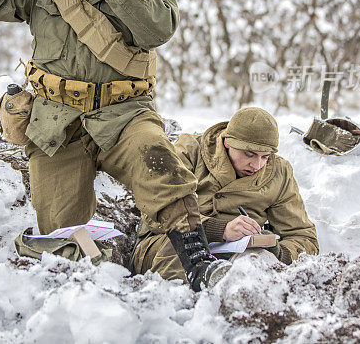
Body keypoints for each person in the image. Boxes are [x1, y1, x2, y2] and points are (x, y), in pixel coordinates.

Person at [0, 0, 230, 289]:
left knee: (160, 163)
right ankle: (94, 276)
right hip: (57, 119)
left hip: (125, 113)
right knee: (62, 234)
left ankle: (196, 260)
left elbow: (159, 28)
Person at [131, 107, 319, 281]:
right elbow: (157, 212)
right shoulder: (190, 151)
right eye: (249, 154)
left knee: (256, 265)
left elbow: (304, 238)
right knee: (183, 249)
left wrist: (278, 251)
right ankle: (184, 309)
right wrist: (220, 230)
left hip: (237, 254)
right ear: (227, 143)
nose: (257, 165)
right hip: (168, 245)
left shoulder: (279, 172)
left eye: (265, 156)